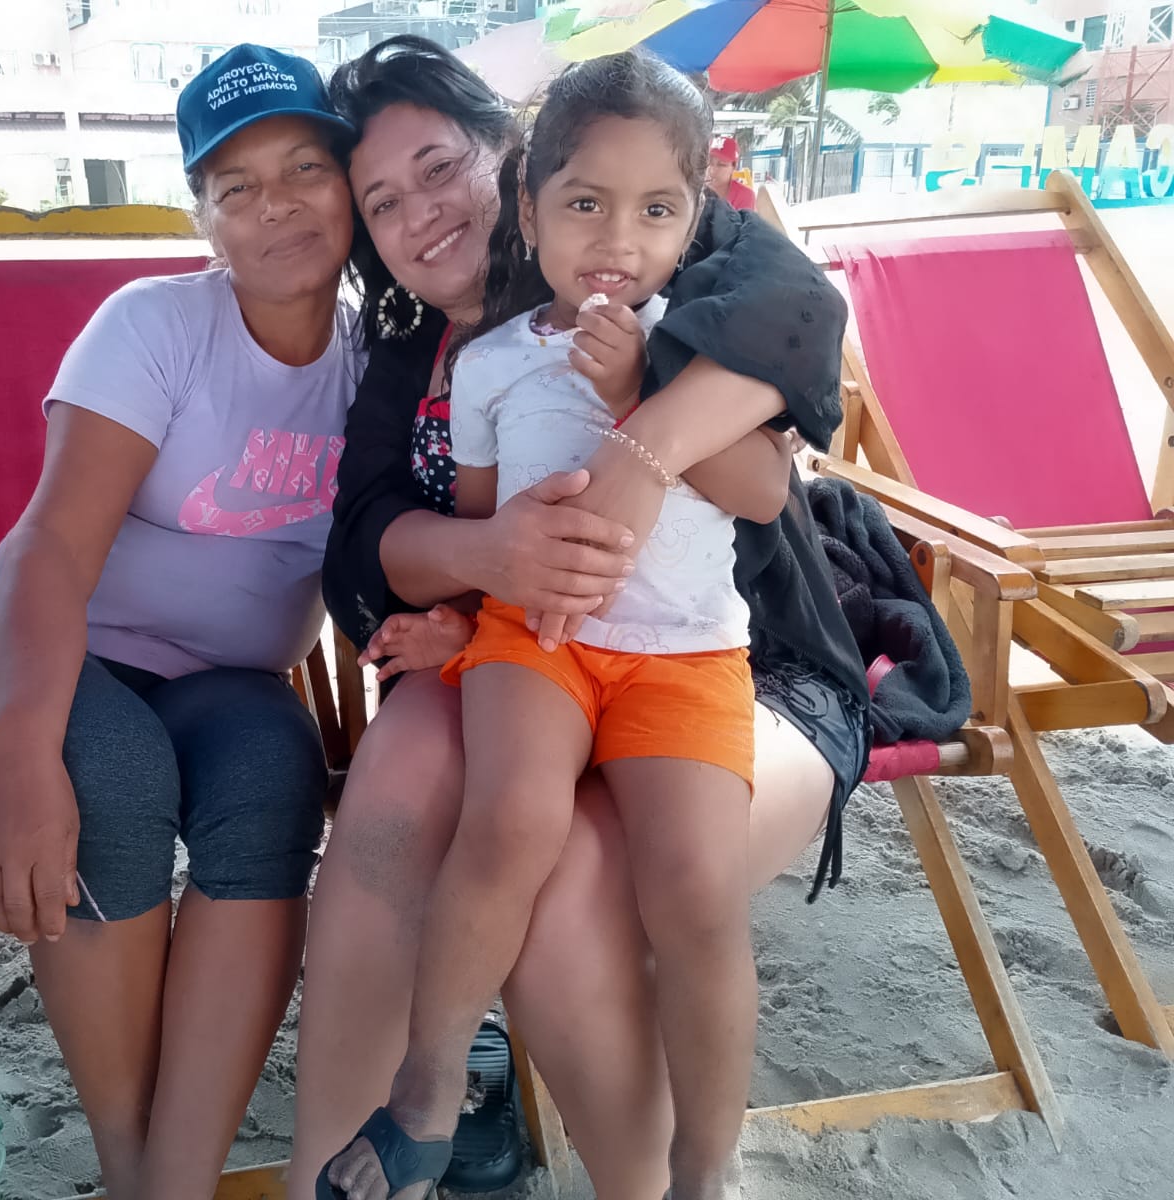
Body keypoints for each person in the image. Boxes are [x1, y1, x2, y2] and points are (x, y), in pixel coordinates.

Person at [292, 36, 871, 1200]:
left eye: (437, 167)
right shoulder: (428, 358)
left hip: (740, 654)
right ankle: (377, 1136)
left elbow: (804, 328)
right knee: (406, 796)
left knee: (576, 896)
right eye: (381, 201)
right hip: (540, 649)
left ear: (505, 158)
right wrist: (478, 569)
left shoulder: (677, 268)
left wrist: (642, 438)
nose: (420, 215)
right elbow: (365, 537)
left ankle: (667, 1181)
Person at [0, 44, 363, 1200]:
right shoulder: (156, 326)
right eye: (236, 187)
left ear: (351, 180)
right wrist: (18, 755)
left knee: (270, 774)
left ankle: (180, 1175)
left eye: (305, 168)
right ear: (203, 217)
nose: (276, 206)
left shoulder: (379, 354)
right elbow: (49, 551)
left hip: (224, 685)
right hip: (27, 663)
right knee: (109, 775)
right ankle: (133, 1172)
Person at [707, 134, 757, 211]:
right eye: (709, 163)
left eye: (721, 165)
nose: (712, 170)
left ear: (734, 167)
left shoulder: (744, 195)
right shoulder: (695, 191)